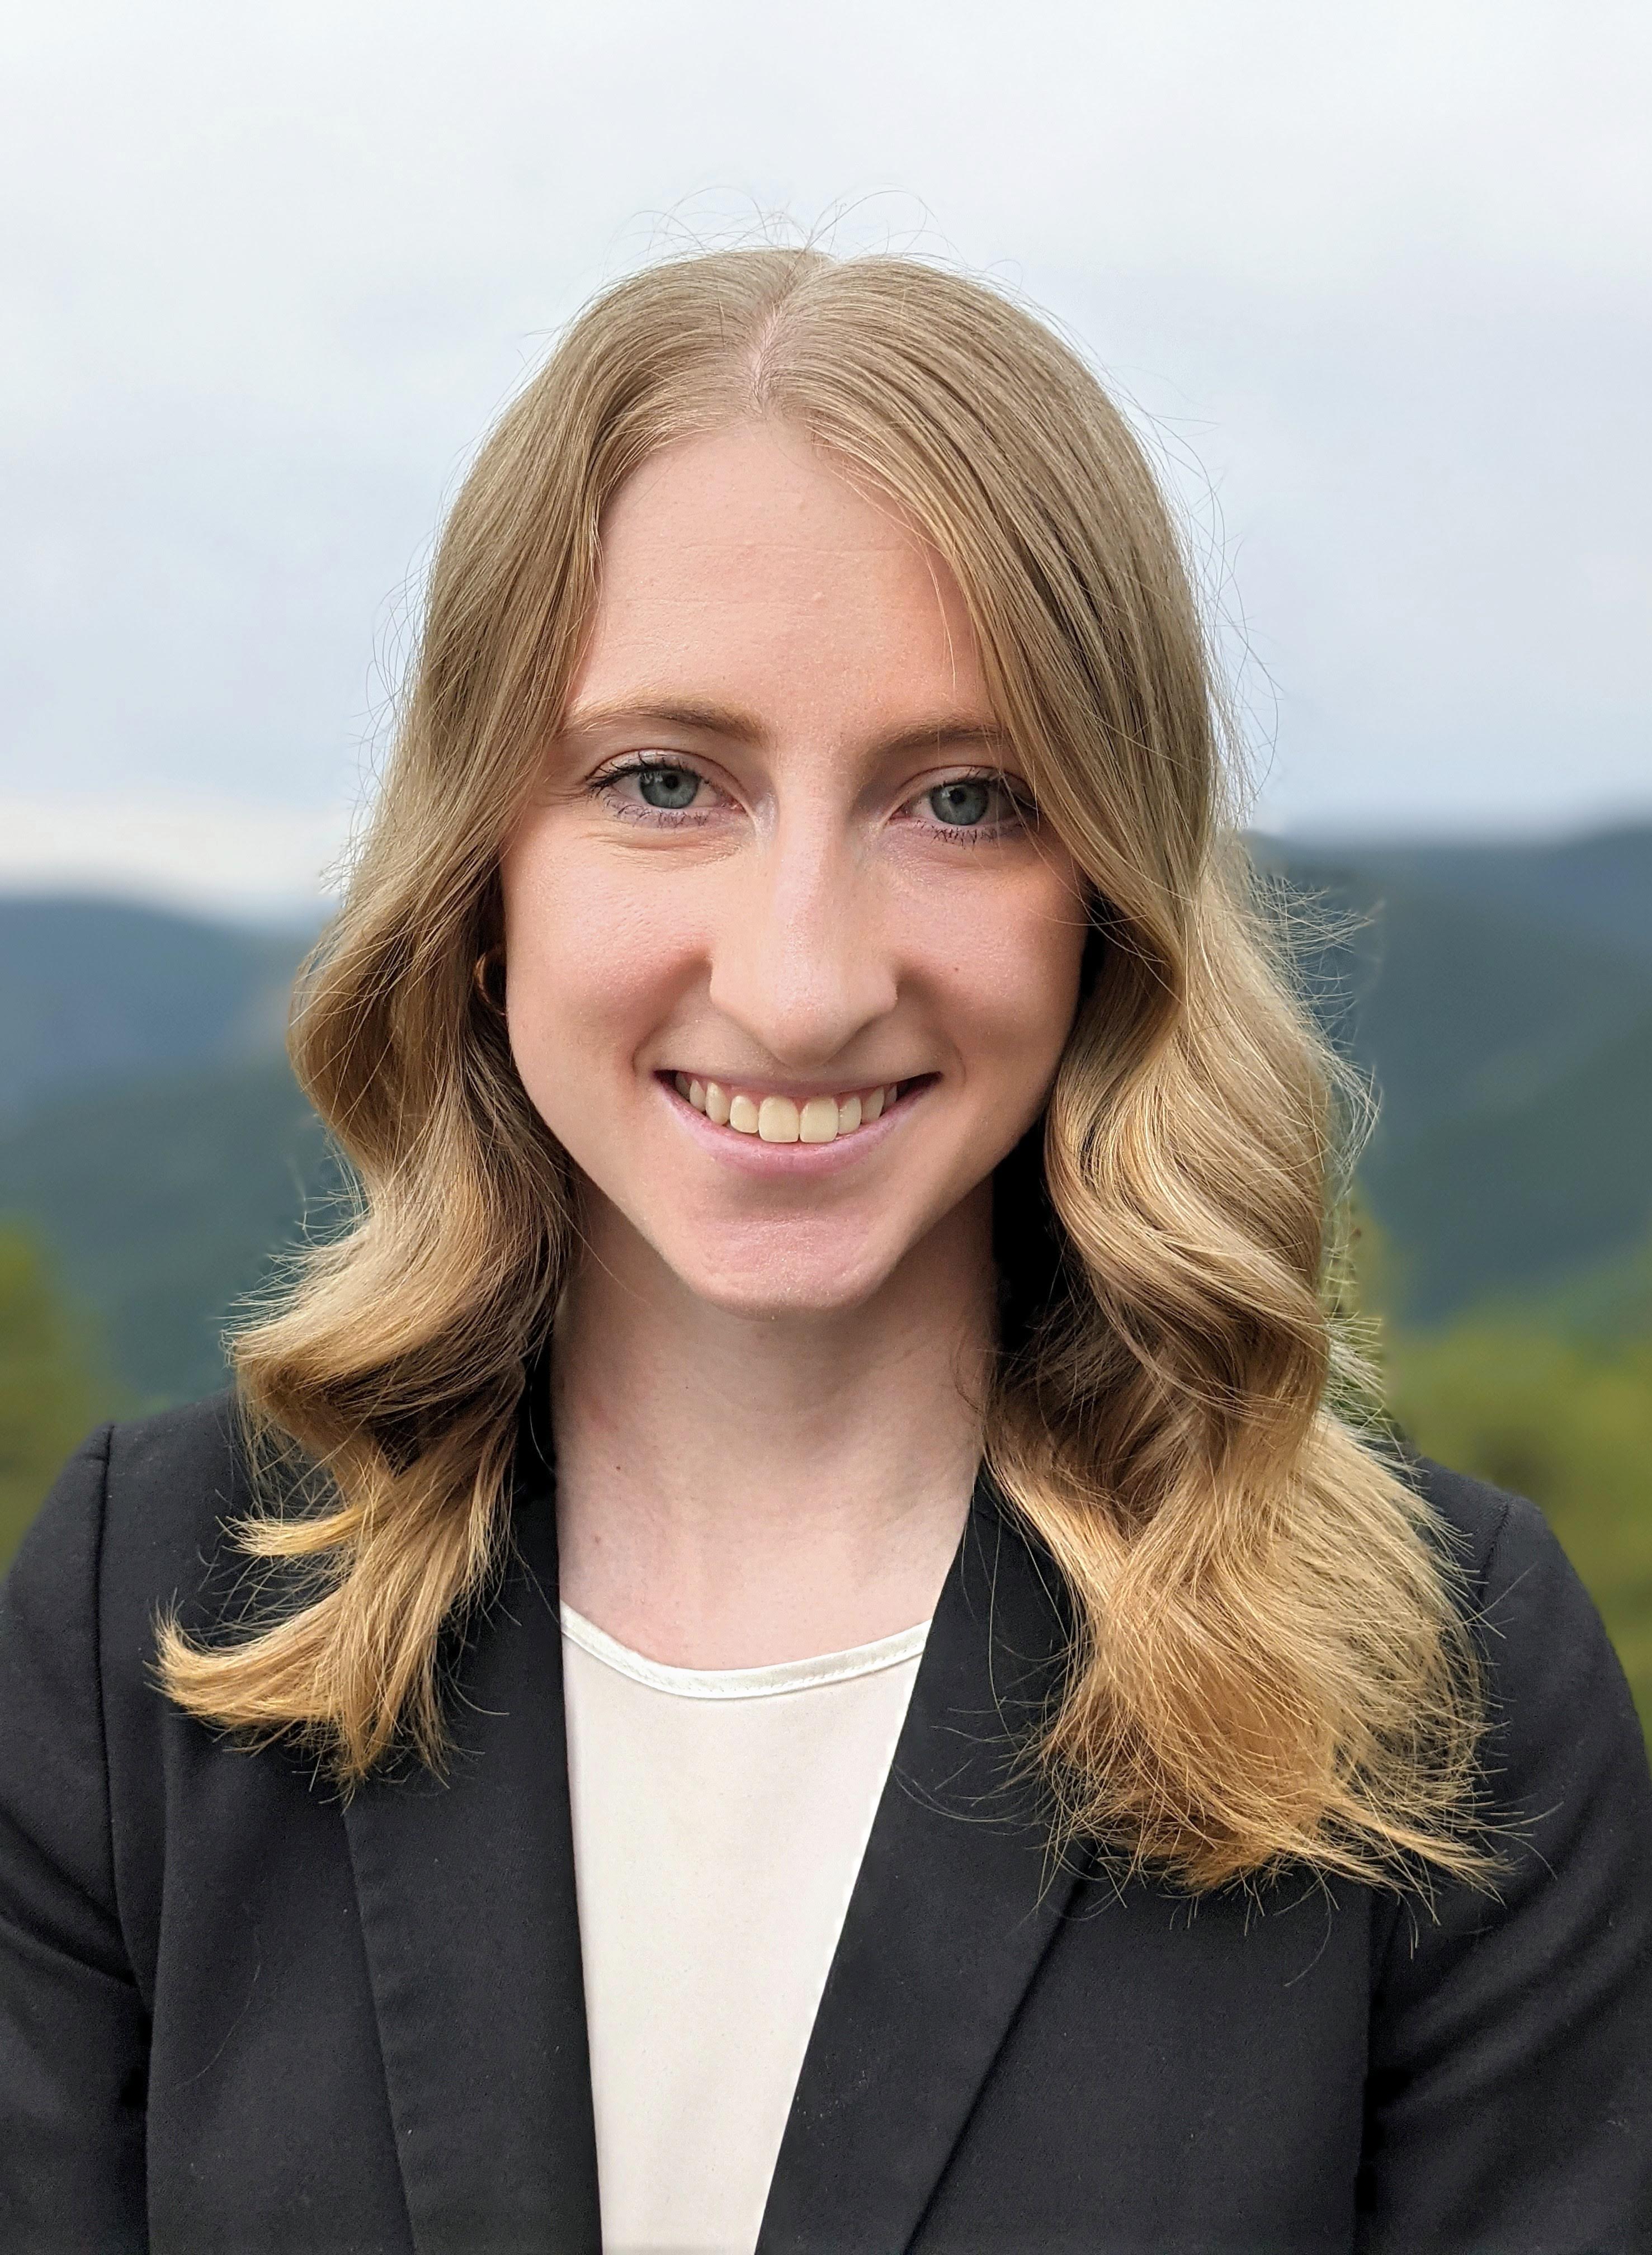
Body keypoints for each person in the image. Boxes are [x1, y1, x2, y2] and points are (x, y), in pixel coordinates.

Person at [2, 247, 1649, 2255]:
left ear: (1107, 900)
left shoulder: (1443, 1683)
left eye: (963, 801)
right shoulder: (141, 1623)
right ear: (482, 870)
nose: (797, 987)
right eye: (663, 783)